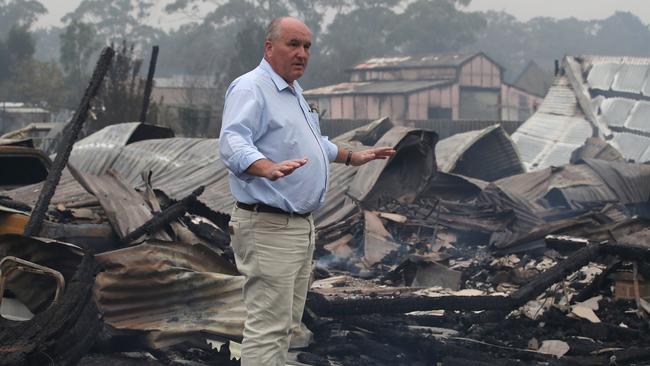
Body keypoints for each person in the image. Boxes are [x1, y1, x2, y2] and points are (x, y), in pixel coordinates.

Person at [219, 16, 395, 366]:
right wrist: (264, 165)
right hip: (268, 226)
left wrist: (350, 156)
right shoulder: (251, 88)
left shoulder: (293, 92)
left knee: (286, 326)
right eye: (293, 44)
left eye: (307, 46)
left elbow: (313, 143)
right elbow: (232, 140)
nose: (302, 53)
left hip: (298, 227)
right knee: (267, 328)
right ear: (269, 48)